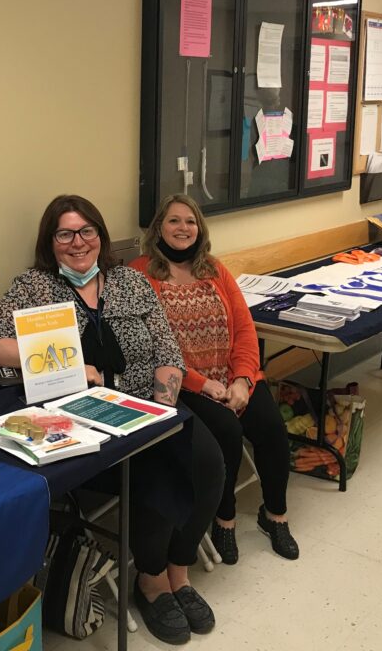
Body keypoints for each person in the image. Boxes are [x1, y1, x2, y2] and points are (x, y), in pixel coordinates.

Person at [0, 194, 225, 645]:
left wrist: (164, 408)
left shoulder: (130, 282)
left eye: (87, 231)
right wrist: (64, 364)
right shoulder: (34, 287)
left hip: (148, 405)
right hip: (84, 422)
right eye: (65, 234)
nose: (78, 243)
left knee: (209, 464)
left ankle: (179, 571)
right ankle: (151, 583)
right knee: (152, 474)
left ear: (101, 236)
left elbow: (166, 350)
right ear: (50, 241)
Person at [131, 193, 299, 565]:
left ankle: (276, 515)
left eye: (190, 221)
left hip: (233, 377)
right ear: (159, 227)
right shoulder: (141, 273)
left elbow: (244, 329)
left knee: (271, 428)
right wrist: (201, 384)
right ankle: (224, 519)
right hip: (188, 387)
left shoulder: (215, 269)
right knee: (228, 431)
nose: (183, 228)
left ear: (200, 229)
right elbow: (154, 348)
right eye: (174, 221)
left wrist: (243, 381)